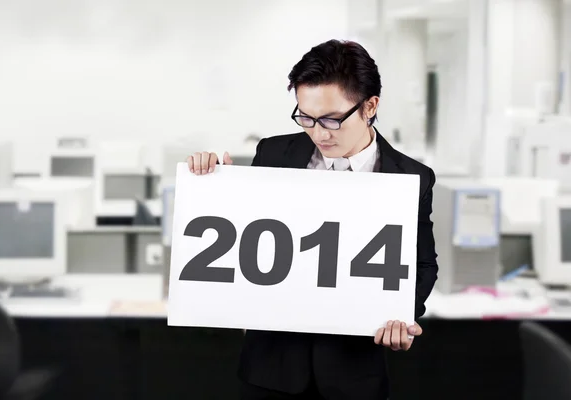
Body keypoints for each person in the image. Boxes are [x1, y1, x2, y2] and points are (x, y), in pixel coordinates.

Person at [186, 39, 438, 400]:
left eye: (333, 120)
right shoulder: (273, 153)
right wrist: (219, 190)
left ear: (369, 107)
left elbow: (423, 263)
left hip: (353, 374)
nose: (319, 133)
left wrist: (402, 314)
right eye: (306, 117)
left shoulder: (412, 177)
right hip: (270, 370)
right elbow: (249, 244)